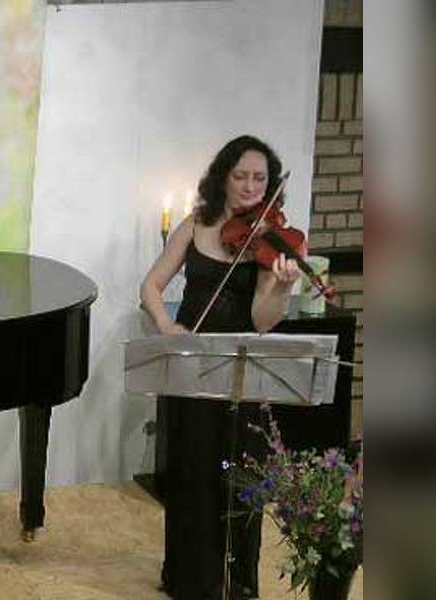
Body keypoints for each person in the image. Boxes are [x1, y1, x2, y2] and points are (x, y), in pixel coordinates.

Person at [140, 135, 301, 600]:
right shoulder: (195, 225)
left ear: (270, 185)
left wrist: (281, 287)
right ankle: (190, 578)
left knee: (238, 475)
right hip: (192, 366)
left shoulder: (269, 240)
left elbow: (262, 321)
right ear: (223, 178)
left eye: (260, 179)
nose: (250, 186)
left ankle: (237, 582)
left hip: (241, 372)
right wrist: (166, 324)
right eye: (241, 176)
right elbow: (150, 286)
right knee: (191, 470)